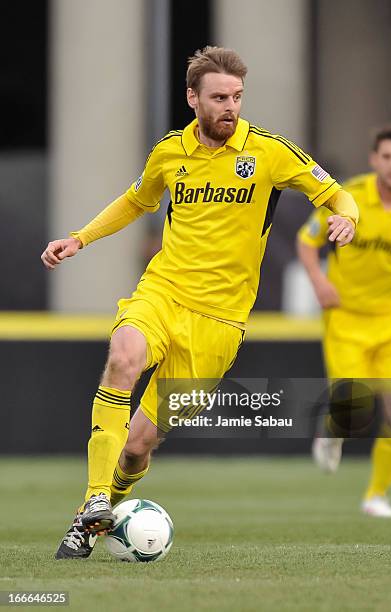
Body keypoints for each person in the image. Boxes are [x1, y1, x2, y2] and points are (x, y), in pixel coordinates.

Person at [41, 46, 358, 559]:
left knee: (138, 447)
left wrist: (347, 218)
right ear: (192, 98)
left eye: (236, 96)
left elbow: (336, 194)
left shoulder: (270, 153)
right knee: (123, 357)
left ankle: (92, 518)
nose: (230, 107)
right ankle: (94, 500)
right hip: (163, 291)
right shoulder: (169, 153)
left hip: (220, 322)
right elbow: (136, 200)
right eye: (218, 97)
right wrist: (80, 238)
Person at [297, 125, 391, 518]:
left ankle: (376, 494)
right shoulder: (351, 197)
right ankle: (332, 430)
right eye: (388, 157)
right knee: (353, 408)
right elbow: (307, 241)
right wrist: (319, 281)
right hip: (346, 316)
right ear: (375, 159)